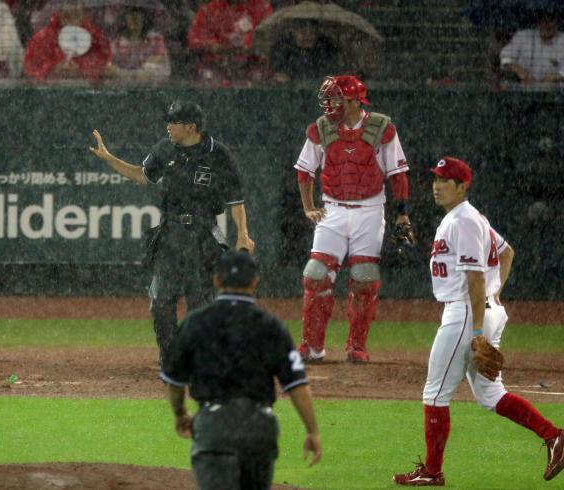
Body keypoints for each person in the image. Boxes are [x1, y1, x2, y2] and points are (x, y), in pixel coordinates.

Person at [393, 157, 564, 485]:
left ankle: (432, 471)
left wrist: (476, 329)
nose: (437, 185)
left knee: (435, 393)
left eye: (445, 180)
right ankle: (555, 436)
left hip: (466, 313)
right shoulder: (467, 218)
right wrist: (495, 294)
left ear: (462, 186)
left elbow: (474, 278)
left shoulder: (465, 221)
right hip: (479, 309)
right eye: (435, 179)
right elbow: (507, 253)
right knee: (490, 395)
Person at [89, 101, 256, 366]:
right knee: (160, 300)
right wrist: (109, 158)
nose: (168, 126)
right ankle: (171, 358)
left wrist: (242, 235)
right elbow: (142, 176)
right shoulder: (164, 149)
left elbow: (236, 201)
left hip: (204, 233)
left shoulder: (218, 154)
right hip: (170, 232)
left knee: (200, 302)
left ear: (190, 126)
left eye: (173, 122)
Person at [160, 250, 322, 490]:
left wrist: (180, 413)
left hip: (214, 428)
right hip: (259, 429)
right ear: (255, 281)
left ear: (216, 280)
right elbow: (297, 386)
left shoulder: (196, 322)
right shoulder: (270, 325)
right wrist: (312, 431)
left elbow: (174, 381)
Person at [294, 75, 412, 364]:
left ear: (355, 101)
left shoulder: (381, 128)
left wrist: (402, 216)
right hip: (332, 208)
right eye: (330, 98)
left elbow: (398, 175)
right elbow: (304, 172)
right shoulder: (321, 128)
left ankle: (356, 346)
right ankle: (312, 346)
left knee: (364, 279)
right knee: (315, 275)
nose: (331, 105)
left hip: (370, 210)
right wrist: (309, 207)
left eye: (338, 99)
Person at [187, 0, 273, 83]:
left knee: (260, 76)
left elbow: (269, 38)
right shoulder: (210, 9)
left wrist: (250, 45)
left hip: (253, 67)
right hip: (217, 68)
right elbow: (195, 40)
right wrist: (214, 46)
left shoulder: (262, 8)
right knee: (209, 76)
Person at [23, 3, 112, 82]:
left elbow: (106, 73)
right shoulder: (41, 39)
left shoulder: (97, 40)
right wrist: (52, 70)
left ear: (83, 7)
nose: (71, 9)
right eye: (67, 3)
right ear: (59, 7)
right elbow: (29, 75)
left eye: (75, 3)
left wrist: (83, 72)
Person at [500, 10, 564, 85]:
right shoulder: (523, 36)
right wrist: (518, 70)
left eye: (551, 21)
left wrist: (556, 77)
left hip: (555, 91)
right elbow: (505, 57)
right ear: (539, 22)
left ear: (557, 23)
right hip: (523, 88)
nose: (547, 25)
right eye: (544, 21)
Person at [110, 6, 171, 83]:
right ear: (125, 19)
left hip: (151, 86)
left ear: (144, 19)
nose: (134, 20)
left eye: (138, 16)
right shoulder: (116, 42)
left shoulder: (155, 39)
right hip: (123, 86)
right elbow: (109, 69)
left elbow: (150, 69)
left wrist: (122, 73)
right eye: (129, 16)